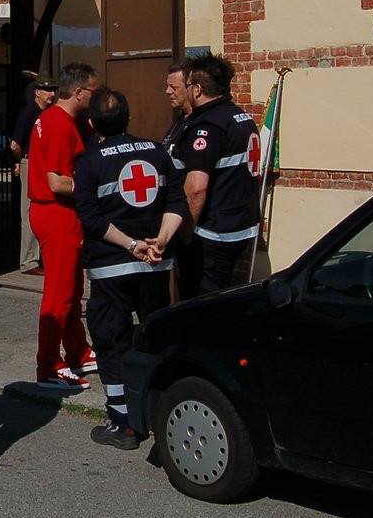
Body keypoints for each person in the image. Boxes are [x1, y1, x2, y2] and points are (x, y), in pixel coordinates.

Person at [73, 87, 185, 450]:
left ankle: (124, 423)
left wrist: (131, 245)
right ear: (129, 118)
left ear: (91, 123)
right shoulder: (157, 151)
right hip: (156, 265)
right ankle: (160, 411)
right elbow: (177, 201)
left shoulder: (90, 160)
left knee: (111, 343)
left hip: (112, 271)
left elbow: (90, 218)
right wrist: (161, 241)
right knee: (156, 339)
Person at [27, 61, 100, 390]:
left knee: (70, 288)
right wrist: (96, 187)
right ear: (80, 91)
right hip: (57, 212)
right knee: (59, 293)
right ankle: (48, 365)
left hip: (53, 212)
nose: (96, 99)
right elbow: (58, 182)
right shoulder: (59, 124)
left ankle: (78, 351)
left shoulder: (52, 119)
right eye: (94, 92)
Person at [175, 52, 262, 296]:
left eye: (188, 85)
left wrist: (184, 233)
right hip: (241, 225)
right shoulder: (242, 117)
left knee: (202, 304)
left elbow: (196, 188)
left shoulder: (208, 126)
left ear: (198, 89)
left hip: (213, 234)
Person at [9, 76, 57, 274]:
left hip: (41, 163)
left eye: (54, 90)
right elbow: (15, 144)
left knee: (41, 210)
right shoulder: (29, 112)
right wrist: (21, 160)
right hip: (31, 162)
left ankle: (40, 257)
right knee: (28, 211)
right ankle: (29, 261)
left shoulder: (48, 113)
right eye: (47, 90)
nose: (52, 94)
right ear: (37, 92)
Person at [163, 60, 192, 148]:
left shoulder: (200, 124)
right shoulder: (180, 120)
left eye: (174, 87)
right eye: (168, 86)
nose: (168, 91)